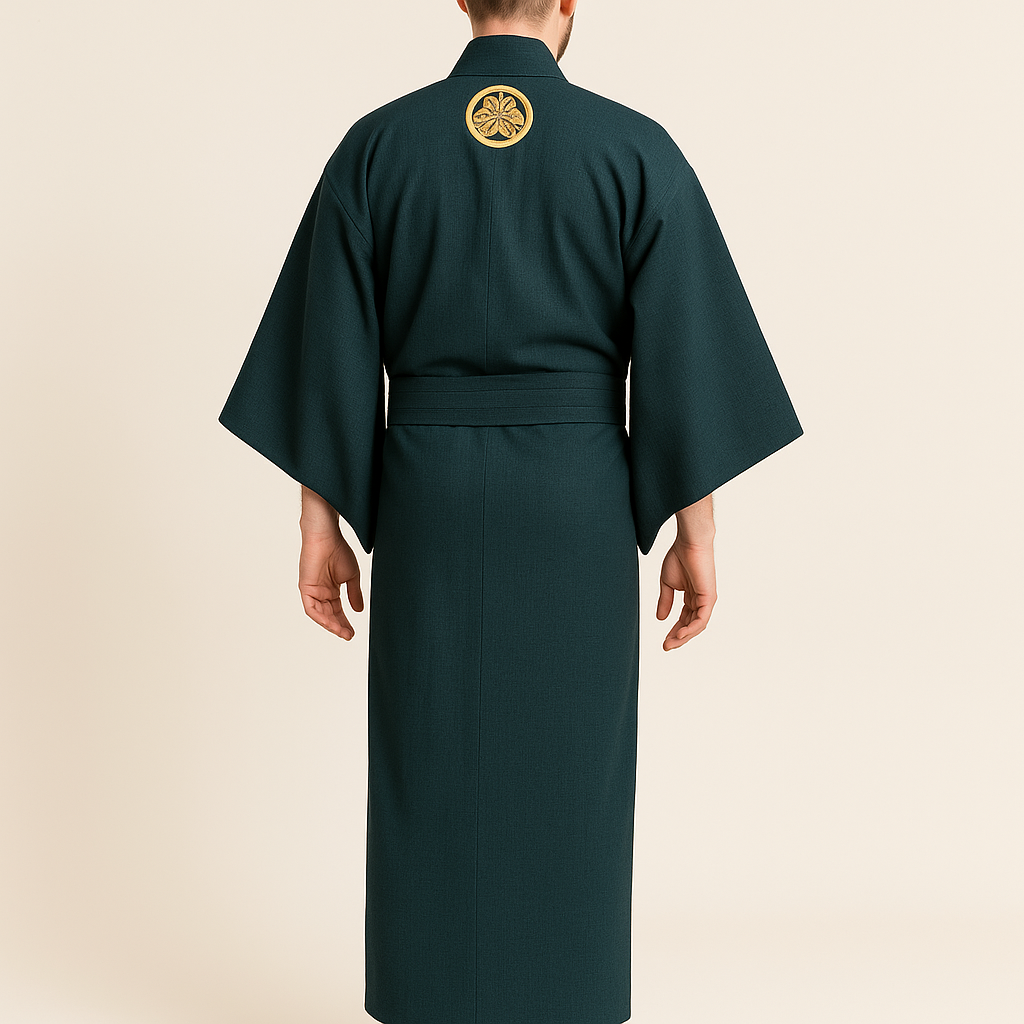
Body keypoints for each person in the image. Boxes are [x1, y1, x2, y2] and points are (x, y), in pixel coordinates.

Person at [218, 1, 804, 1021]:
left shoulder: (378, 147)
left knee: (429, 750)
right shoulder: (633, 149)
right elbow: (685, 355)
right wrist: (695, 531)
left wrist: (318, 525)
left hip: (427, 493)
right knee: (572, 764)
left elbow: (329, 351)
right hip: (579, 494)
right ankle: (566, 996)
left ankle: (428, 995)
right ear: (568, 2)